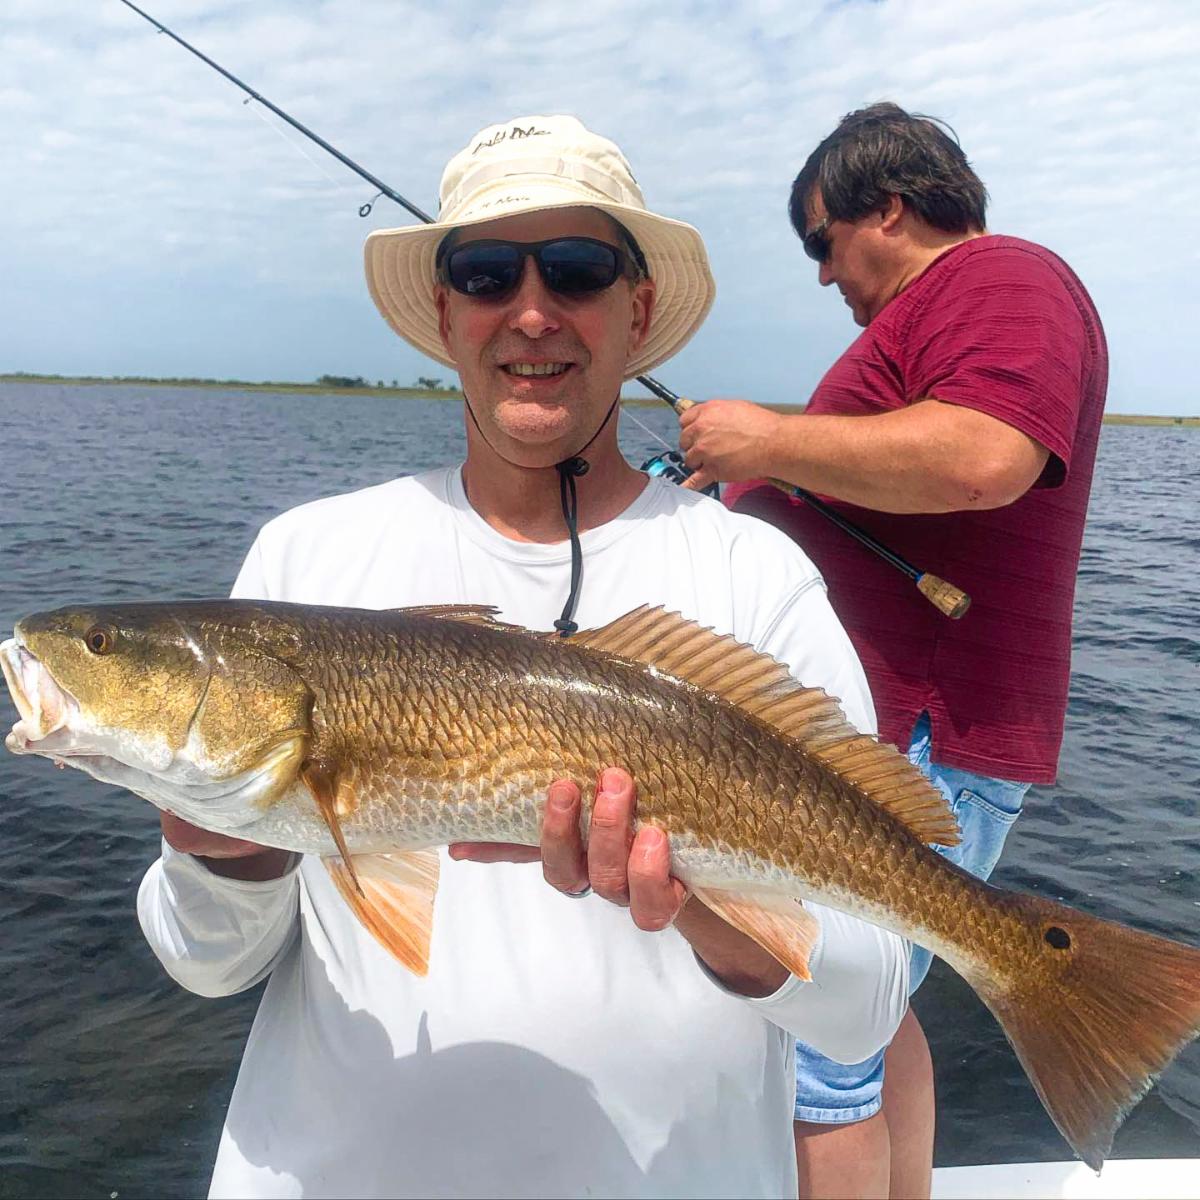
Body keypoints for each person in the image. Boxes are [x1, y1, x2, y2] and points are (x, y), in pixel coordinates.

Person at [137, 114, 912, 1199]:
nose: (532, 310)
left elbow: (868, 1002)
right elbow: (209, 967)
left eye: (579, 269)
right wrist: (232, 851)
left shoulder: (757, 574)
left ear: (637, 310)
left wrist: (698, 899)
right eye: (487, 272)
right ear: (445, 312)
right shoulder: (303, 558)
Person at [677, 102, 1108, 1198]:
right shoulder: (950, 309)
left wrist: (765, 439)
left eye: (821, 241)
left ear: (891, 208)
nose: (823, 274)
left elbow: (983, 457)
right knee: (867, 1020)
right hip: (883, 734)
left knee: (816, 1054)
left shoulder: (1003, 277)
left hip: (915, 732)